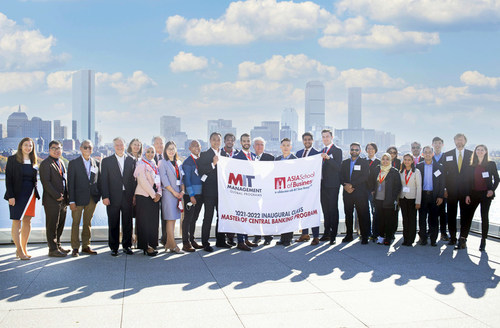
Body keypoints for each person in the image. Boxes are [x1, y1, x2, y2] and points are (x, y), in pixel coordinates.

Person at [4, 137, 40, 260]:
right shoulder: (13, 159)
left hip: (30, 196)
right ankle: (19, 251)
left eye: (30, 146)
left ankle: (24, 248)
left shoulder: (33, 160)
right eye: (26, 145)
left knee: (27, 222)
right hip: (17, 196)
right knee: (16, 222)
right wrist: (11, 196)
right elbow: (8, 180)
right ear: (20, 146)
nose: (28, 148)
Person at [101, 137, 137, 256]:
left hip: (127, 196)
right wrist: (105, 196)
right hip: (112, 197)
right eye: (117, 145)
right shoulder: (106, 161)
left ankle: (127, 246)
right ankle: (114, 247)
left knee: (127, 222)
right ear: (113, 147)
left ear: (125, 145)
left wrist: (133, 196)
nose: (120, 147)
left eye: (121, 145)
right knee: (113, 222)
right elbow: (104, 181)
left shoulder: (131, 160)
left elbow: (133, 180)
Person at [68, 140, 101, 257]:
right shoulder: (73, 163)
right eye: (85, 147)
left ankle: (86, 246)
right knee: (75, 223)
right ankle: (75, 247)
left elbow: (99, 181)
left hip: (91, 199)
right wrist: (71, 200)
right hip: (77, 199)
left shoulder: (96, 163)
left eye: (90, 148)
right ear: (81, 149)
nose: (88, 150)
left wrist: (98, 196)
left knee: (88, 223)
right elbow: (70, 184)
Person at [198, 132, 231, 252]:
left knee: (221, 217)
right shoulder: (205, 154)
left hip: (222, 192)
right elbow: (201, 171)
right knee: (208, 217)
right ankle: (205, 243)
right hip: (209, 192)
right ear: (210, 141)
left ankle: (221, 241)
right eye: (214, 139)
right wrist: (213, 164)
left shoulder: (224, 154)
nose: (216, 142)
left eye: (218, 140)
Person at [463, 144, 499, 251]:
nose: (479, 151)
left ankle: (483, 240)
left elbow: (497, 179)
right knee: (468, 216)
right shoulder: (471, 165)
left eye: (482, 150)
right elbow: (468, 182)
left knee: (484, 217)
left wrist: (492, 190)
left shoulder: (491, 164)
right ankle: (463, 238)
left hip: (485, 195)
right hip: (473, 194)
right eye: (478, 150)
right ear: (475, 152)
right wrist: (467, 194)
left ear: (486, 152)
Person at [39, 140, 69, 257]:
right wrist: (57, 196)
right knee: (52, 225)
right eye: (54, 148)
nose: (57, 150)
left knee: (60, 224)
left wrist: (65, 198)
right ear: (49, 150)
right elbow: (46, 183)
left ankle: (58, 245)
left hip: (63, 201)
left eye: (59, 148)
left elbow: (64, 181)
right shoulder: (46, 164)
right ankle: (52, 249)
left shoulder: (61, 162)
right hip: (52, 200)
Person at [443, 133, 473, 246]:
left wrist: (470, 193)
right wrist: (445, 189)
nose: (459, 142)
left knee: (465, 215)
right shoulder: (447, 155)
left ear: (465, 141)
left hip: (466, 192)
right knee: (451, 214)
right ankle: (453, 237)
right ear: (454, 141)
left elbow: (473, 176)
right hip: (451, 191)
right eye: (457, 140)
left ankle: (463, 238)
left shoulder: (471, 155)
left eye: (461, 140)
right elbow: (444, 174)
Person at [232, 133, 259, 251]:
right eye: (244, 141)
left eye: (248, 141)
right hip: (241, 191)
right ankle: (240, 241)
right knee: (241, 216)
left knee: (248, 215)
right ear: (240, 142)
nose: (246, 143)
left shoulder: (254, 156)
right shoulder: (236, 157)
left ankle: (246, 238)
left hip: (252, 192)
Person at [340, 142, 371, 244]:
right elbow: (340, 176)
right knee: (348, 214)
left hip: (360, 193)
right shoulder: (344, 163)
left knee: (363, 214)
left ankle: (365, 236)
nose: (354, 151)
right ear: (349, 151)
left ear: (360, 151)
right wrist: (345, 185)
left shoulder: (364, 162)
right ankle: (349, 235)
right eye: (352, 149)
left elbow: (365, 177)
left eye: (356, 150)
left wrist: (351, 185)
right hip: (347, 193)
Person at [134, 145, 161, 256]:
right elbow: (142, 181)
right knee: (143, 222)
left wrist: (159, 193)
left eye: (152, 152)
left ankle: (152, 243)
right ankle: (146, 246)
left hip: (154, 197)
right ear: (144, 153)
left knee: (153, 221)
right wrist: (153, 194)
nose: (150, 154)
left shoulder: (154, 165)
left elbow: (159, 181)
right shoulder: (141, 164)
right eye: (148, 152)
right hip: (144, 196)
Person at [369, 153, 402, 245]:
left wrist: (393, 197)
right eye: (383, 159)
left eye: (387, 159)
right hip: (378, 198)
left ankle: (388, 237)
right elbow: (371, 181)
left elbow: (398, 186)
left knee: (389, 219)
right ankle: (381, 236)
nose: (385, 161)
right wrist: (372, 190)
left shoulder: (394, 171)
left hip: (389, 199)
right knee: (380, 218)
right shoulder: (376, 170)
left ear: (390, 161)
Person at [159, 141, 185, 254]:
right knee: (170, 219)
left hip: (178, 194)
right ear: (165, 150)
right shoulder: (162, 163)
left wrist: (182, 191)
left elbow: (182, 178)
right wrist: (174, 192)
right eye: (169, 148)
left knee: (174, 219)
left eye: (173, 148)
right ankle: (173, 245)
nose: (171, 151)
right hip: (169, 195)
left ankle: (169, 244)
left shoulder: (178, 162)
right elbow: (164, 181)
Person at [295, 132, 320, 245]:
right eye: (305, 139)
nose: (307, 141)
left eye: (309, 139)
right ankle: (304, 234)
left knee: (313, 211)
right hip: (301, 188)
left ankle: (315, 236)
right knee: (303, 211)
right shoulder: (298, 153)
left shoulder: (317, 154)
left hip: (313, 188)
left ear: (312, 140)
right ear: (302, 141)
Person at [416, 146, 444, 247]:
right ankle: (423, 239)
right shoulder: (418, 166)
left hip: (434, 196)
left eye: (429, 152)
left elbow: (442, 183)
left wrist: (440, 196)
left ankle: (433, 239)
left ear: (433, 154)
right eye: (425, 152)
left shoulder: (439, 166)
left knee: (434, 219)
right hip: (422, 195)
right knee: (422, 218)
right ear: (422, 154)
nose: (427, 154)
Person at [319, 129, 342, 245]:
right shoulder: (321, 151)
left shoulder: (337, 151)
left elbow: (338, 167)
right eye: (323, 137)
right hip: (322, 186)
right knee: (325, 210)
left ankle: (333, 235)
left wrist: (328, 158)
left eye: (327, 136)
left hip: (333, 185)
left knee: (333, 209)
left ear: (331, 137)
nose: (325, 139)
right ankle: (326, 233)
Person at [251, 137, 275, 245]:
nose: (259, 146)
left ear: (264, 146)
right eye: (257, 144)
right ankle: (257, 236)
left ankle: (268, 237)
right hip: (254, 191)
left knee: (266, 213)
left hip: (267, 190)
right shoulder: (249, 158)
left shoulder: (270, 157)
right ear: (253, 146)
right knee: (256, 214)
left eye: (261, 144)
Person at [181, 140, 204, 252]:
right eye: (194, 146)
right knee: (188, 219)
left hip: (200, 195)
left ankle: (192, 240)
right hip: (191, 196)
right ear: (189, 148)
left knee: (194, 219)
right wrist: (191, 195)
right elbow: (187, 180)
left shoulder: (201, 160)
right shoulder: (187, 162)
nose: (196, 148)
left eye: (198, 146)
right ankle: (185, 243)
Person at [275, 138, 297, 246]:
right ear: (281, 147)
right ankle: (282, 238)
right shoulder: (277, 159)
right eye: (284, 145)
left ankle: (289, 238)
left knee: (289, 215)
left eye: (288, 145)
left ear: (291, 147)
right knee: (281, 215)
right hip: (279, 191)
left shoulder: (296, 160)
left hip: (290, 191)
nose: (285, 147)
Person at [399, 153, 422, 246]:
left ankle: (411, 239)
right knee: (405, 219)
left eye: (409, 160)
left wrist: (418, 201)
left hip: (413, 198)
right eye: (405, 159)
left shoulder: (416, 171)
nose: (407, 161)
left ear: (412, 161)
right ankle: (405, 238)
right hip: (403, 198)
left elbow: (419, 187)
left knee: (412, 220)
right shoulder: (401, 171)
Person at [219, 133, 238, 245]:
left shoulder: (237, 154)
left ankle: (231, 237)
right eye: (228, 140)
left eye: (232, 140)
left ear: (234, 142)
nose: (230, 142)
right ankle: (221, 239)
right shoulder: (219, 153)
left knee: (233, 213)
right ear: (224, 142)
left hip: (234, 188)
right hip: (221, 188)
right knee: (222, 213)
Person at [432, 136, 449, 241]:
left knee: (443, 211)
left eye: (439, 143)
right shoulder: (429, 156)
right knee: (432, 212)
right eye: (435, 143)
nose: (437, 145)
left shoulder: (446, 157)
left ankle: (443, 232)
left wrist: (446, 189)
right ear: (432, 145)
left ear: (442, 145)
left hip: (443, 189)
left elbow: (449, 174)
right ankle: (432, 232)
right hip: (431, 189)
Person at [127, 138, 142, 248]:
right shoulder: (127, 159)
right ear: (130, 146)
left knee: (139, 216)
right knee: (128, 217)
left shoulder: (142, 159)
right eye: (134, 144)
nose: (136, 147)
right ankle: (129, 238)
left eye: (138, 145)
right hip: (129, 191)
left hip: (141, 191)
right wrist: (132, 194)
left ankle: (137, 238)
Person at [152, 136, 167, 246]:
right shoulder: (150, 157)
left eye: (161, 143)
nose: (159, 145)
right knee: (154, 217)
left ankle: (165, 238)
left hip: (167, 191)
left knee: (165, 216)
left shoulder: (168, 157)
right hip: (154, 192)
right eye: (157, 143)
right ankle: (154, 241)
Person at [366, 142, 380, 241]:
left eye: (372, 148)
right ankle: (365, 232)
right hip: (363, 190)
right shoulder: (363, 161)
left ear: (375, 150)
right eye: (368, 148)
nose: (370, 150)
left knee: (374, 212)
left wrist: (375, 189)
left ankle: (375, 233)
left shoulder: (378, 162)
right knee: (364, 212)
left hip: (374, 191)